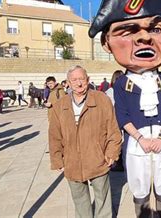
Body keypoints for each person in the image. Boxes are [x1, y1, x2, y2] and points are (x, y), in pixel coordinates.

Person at [90, 0, 161, 217]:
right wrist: (140, 139)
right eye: (128, 31)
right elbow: (122, 114)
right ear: (106, 43)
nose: (144, 39)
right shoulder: (121, 84)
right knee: (139, 186)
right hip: (136, 141)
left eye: (155, 29)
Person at [48, 65, 122, 217]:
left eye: (82, 79)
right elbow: (54, 135)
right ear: (68, 82)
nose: (79, 83)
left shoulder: (102, 99)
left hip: (98, 159)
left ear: (88, 80)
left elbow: (113, 130)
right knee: (80, 201)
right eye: (74, 80)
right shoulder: (60, 105)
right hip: (72, 162)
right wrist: (57, 159)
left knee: (103, 198)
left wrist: (112, 153)